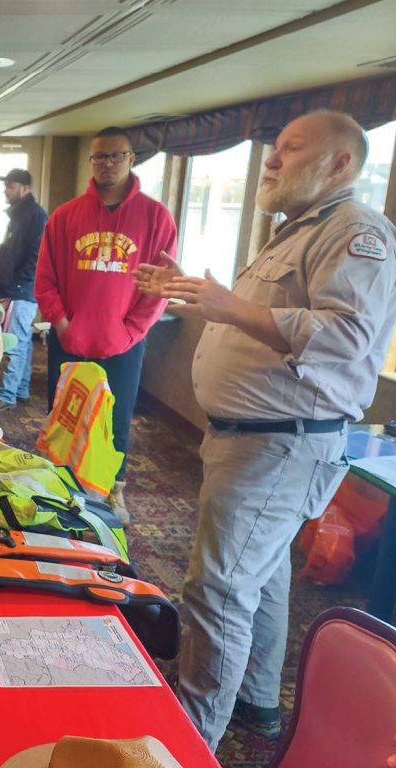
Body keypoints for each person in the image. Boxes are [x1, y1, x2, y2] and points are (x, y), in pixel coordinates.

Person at [135, 110, 396, 751]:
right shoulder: (298, 231)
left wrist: (230, 306)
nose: (273, 160)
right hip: (255, 438)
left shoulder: (357, 231)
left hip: (280, 442)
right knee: (264, 572)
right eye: (274, 147)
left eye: (290, 147)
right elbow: (267, 320)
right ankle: (255, 700)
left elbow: (348, 335)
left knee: (218, 589)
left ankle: (191, 737)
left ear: (340, 164)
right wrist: (202, 295)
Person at [35, 127, 177, 525]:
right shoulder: (65, 216)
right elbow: (45, 279)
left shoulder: (155, 217)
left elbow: (160, 287)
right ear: (91, 162)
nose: (107, 164)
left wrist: (130, 331)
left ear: (132, 159)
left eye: (116, 156)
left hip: (123, 343)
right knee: (63, 415)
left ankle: (113, 491)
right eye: (99, 157)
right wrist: (63, 324)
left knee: (115, 422)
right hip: (70, 339)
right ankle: (61, 484)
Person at [0, 168, 47, 411]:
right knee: (22, 342)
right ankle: (21, 389)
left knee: (14, 343)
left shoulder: (35, 215)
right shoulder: (19, 215)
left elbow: (37, 257)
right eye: (6, 185)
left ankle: (7, 395)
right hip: (16, 290)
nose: (6, 190)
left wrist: (14, 286)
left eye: (11, 186)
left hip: (22, 291)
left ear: (25, 188)